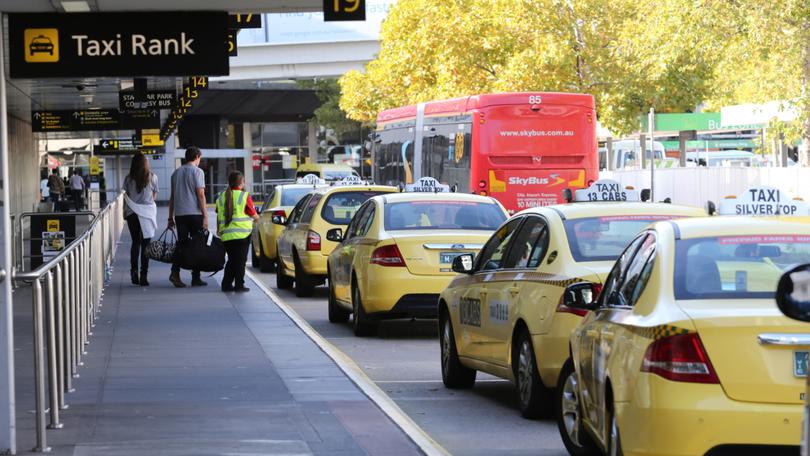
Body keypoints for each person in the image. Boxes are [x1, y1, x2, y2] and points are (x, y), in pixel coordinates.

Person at [168, 146, 208, 288]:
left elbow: (172, 197)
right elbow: (201, 195)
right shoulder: (198, 172)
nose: (199, 160)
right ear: (196, 156)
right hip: (195, 214)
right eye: (200, 158)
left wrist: (170, 217)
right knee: (196, 246)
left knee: (181, 245)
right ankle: (195, 277)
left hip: (180, 215)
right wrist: (205, 216)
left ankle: (175, 273)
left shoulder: (176, 173)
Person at [216, 171, 259, 292]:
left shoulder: (221, 197)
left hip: (226, 236)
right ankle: (239, 285)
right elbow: (253, 214)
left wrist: (219, 230)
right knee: (240, 261)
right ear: (241, 183)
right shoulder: (244, 196)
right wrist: (258, 219)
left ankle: (226, 284)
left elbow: (219, 215)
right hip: (241, 235)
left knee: (233, 260)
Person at [123, 153, 158, 286]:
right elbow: (154, 196)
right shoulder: (153, 177)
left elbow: (125, 195)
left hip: (132, 213)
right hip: (147, 214)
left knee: (135, 243)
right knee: (146, 244)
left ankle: (133, 272)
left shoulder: (128, 178)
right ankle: (144, 276)